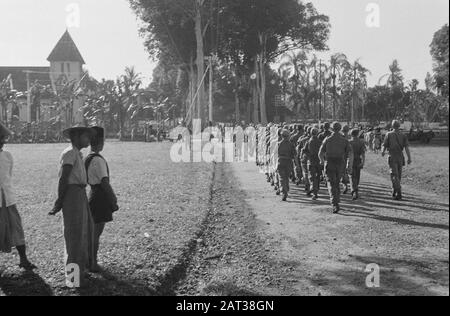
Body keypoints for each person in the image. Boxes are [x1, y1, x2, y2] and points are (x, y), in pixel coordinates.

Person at [49, 126, 95, 287]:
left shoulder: (77, 154)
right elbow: (64, 178)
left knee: (82, 233)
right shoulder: (69, 153)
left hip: (80, 194)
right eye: (86, 136)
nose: (89, 139)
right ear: (76, 136)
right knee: (74, 236)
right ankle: (73, 278)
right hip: (72, 195)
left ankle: (79, 272)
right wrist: (59, 200)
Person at [0, 123, 36, 270]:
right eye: (1, 138)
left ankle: (23, 259)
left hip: (8, 199)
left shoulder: (7, 156)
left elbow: (8, 176)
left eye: (3, 138)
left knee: (16, 227)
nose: (3, 141)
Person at [85, 127, 119, 272]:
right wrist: (113, 199)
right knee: (95, 234)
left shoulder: (87, 158)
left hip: (91, 193)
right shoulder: (98, 160)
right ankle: (93, 262)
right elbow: (104, 182)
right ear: (100, 142)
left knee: (92, 232)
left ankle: (88, 260)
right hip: (100, 197)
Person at [319, 122, 353, 214]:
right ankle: (337, 200)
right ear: (340, 129)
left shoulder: (327, 139)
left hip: (330, 163)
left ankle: (335, 203)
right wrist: (349, 165)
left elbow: (320, 153)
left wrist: (322, 161)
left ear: (332, 129)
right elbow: (350, 153)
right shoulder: (344, 140)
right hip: (340, 164)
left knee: (331, 183)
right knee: (337, 182)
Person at [381, 120, 412, 200]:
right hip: (400, 156)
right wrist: (409, 158)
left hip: (392, 156)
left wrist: (383, 152)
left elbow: (384, 145)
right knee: (398, 175)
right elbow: (406, 148)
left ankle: (398, 191)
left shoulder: (389, 134)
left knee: (394, 175)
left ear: (392, 126)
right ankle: (394, 190)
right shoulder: (403, 135)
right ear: (399, 126)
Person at [277, 129, 297, 201]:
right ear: (288, 136)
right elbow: (295, 155)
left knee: (282, 178)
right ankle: (286, 189)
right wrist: (296, 164)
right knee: (287, 177)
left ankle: (284, 191)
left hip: (281, 161)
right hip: (288, 162)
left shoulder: (278, 144)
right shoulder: (291, 144)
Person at [303, 128, 322, 200]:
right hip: (318, 161)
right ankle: (315, 189)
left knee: (312, 177)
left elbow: (304, 151)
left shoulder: (308, 141)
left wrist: (308, 157)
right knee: (317, 177)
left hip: (311, 161)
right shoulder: (320, 142)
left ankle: (314, 192)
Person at [349, 128, 366, 200]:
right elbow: (363, 154)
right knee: (357, 176)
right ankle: (356, 189)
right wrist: (363, 162)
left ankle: (354, 191)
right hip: (358, 160)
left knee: (352, 176)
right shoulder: (361, 142)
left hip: (351, 161)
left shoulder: (349, 142)